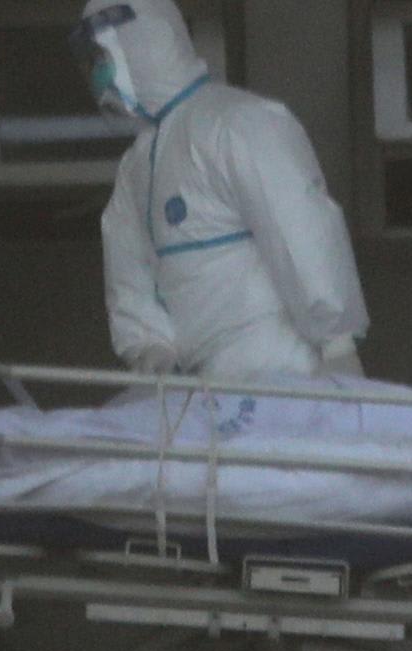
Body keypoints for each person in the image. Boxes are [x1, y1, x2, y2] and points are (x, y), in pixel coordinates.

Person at [75, 0, 369, 380]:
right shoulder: (138, 166)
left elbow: (300, 230)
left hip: (286, 368)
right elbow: (128, 265)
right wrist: (149, 345)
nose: (98, 74)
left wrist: (336, 343)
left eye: (103, 57)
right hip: (202, 389)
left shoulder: (238, 124)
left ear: (139, 44)